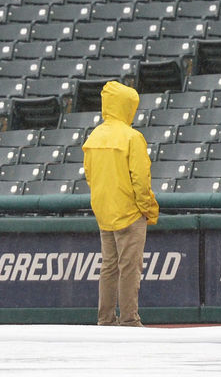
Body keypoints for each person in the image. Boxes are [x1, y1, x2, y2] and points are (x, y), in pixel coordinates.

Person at [82, 81, 159, 327]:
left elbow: (90, 176)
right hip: (129, 213)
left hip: (105, 213)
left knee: (108, 267)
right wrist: (148, 210)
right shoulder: (132, 137)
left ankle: (105, 319)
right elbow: (140, 180)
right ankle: (129, 319)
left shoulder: (93, 137)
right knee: (129, 269)